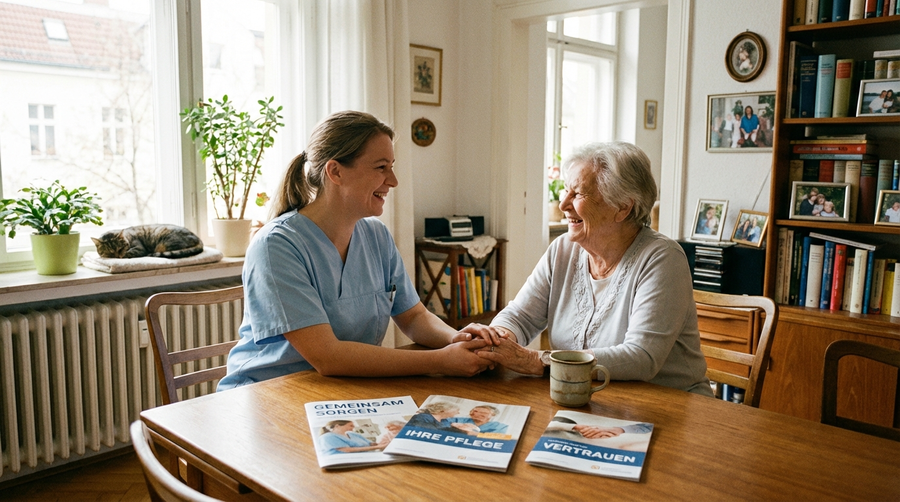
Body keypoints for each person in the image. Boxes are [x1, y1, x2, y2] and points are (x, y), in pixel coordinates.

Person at [217, 111, 496, 391]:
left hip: (342, 389)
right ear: (335, 171)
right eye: (381, 167)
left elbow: (414, 317)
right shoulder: (276, 246)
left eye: (392, 166)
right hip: (266, 395)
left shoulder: (377, 236)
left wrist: (455, 340)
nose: (394, 180)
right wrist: (440, 362)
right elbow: (329, 357)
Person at [466, 142, 713, 396]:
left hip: (670, 406)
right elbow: (521, 316)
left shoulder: (662, 259)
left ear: (623, 207)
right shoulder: (562, 249)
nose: (563, 204)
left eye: (578, 194)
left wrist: (536, 360)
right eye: (565, 190)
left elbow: (641, 356)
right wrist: (495, 340)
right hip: (588, 400)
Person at [319, 420, 387, 455]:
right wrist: (377, 447)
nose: (353, 427)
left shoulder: (352, 434)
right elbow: (346, 450)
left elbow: (369, 443)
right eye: (351, 425)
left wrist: (380, 443)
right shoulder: (327, 436)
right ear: (337, 426)